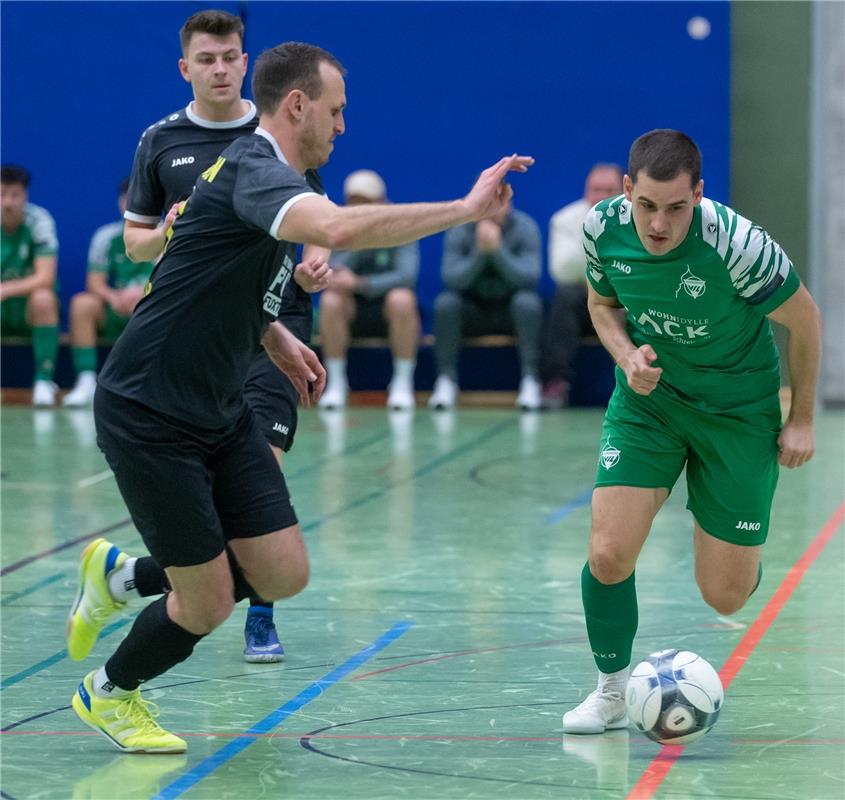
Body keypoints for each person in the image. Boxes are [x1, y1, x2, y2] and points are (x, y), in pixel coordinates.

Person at [67, 40, 532, 753]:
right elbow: (339, 228)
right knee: (209, 601)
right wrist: (467, 210)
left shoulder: (280, 173)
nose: (341, 125)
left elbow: (217, 275)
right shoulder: (255, 168)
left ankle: (122, 575)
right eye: (335, 110)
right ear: (296, 105)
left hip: (218, 404)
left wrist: (276, 340)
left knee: (281, 570)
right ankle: (111, 692)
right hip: (150, 410)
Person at [66, 10, 330, 665]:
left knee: (261, 477)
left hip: (267, 327)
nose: (219, 68)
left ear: (247, 63)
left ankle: (255, 613)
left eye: (230, 56)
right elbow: (136, 242)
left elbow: (317, 221)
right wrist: (168, 232)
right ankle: (153, 592)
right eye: (205, 59)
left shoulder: (281, 132)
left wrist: (317, 260)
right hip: (183, 342)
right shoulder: (161, 142)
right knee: (224, 521)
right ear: (186, 68)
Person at [562, 129, 820, 735]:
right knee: (607, 553)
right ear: (628, 191)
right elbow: (602, 307)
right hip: (652, 402)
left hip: (737, 411)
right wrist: (627, 357)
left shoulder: (737, 245)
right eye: (647, 206)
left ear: (698, 195)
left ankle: (734, 535)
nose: (658, 224)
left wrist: (802, 418)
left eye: (676, 208)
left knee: (726, 596)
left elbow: (806, 323)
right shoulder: (603, 228)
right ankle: (610, 691)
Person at [318, 169, 420, 410]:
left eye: (366, 203)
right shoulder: (337, 224)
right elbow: (333, 270)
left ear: (382, 201)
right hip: (351, 308)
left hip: (388, 309)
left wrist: (363, 284)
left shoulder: (401, 225)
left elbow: (407, 275)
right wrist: (359, 240)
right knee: (330, 300)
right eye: (355, 203)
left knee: (402, 299)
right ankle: (336, 383)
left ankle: (402, 383)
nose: (360, 209)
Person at [428, 199, 543, 410]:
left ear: (509, 203)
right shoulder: (459, 230)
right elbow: (452, 279)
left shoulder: (525, 227)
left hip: (510, 311)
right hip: (473, 310)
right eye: (486, 203)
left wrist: (498, 251)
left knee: (528, 303)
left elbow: (529, 278)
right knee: (446, 303)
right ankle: (445, 380)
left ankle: (530, 380)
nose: (491, 210)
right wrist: (480, 253)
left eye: (498, 203)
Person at [63, 180, 156, 407]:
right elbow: (95, 282)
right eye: (127, 200)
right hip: (115, 306)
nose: (131, 205)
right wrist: (114, 297)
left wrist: (141, 294)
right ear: (120, 202)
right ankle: (86, 380)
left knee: (155, 307)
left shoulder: (166, 232)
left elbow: (171, 279)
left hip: (150, 305)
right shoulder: (105, 237)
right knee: (82, 303)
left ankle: (144, 385)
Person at [541, 163, 623, 409]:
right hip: (583, 302)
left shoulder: (639, 218)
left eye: (609, 190)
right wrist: (599, 240)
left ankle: (644, 386)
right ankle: (556, 382)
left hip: (625, 298)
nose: (602, 196)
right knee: (564, 296)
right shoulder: (565, 219)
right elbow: (562, 270)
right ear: (587, 191)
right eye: (596, 189)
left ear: (623, 191)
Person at [0, 165, 60, 407]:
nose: (8, 202)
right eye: (2, 194)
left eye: (15, 195)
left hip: (26, 308)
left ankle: (44, 381)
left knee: (43, 298)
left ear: (25, 195)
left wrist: (5, 289)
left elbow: (45, 277)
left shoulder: (40, 221)